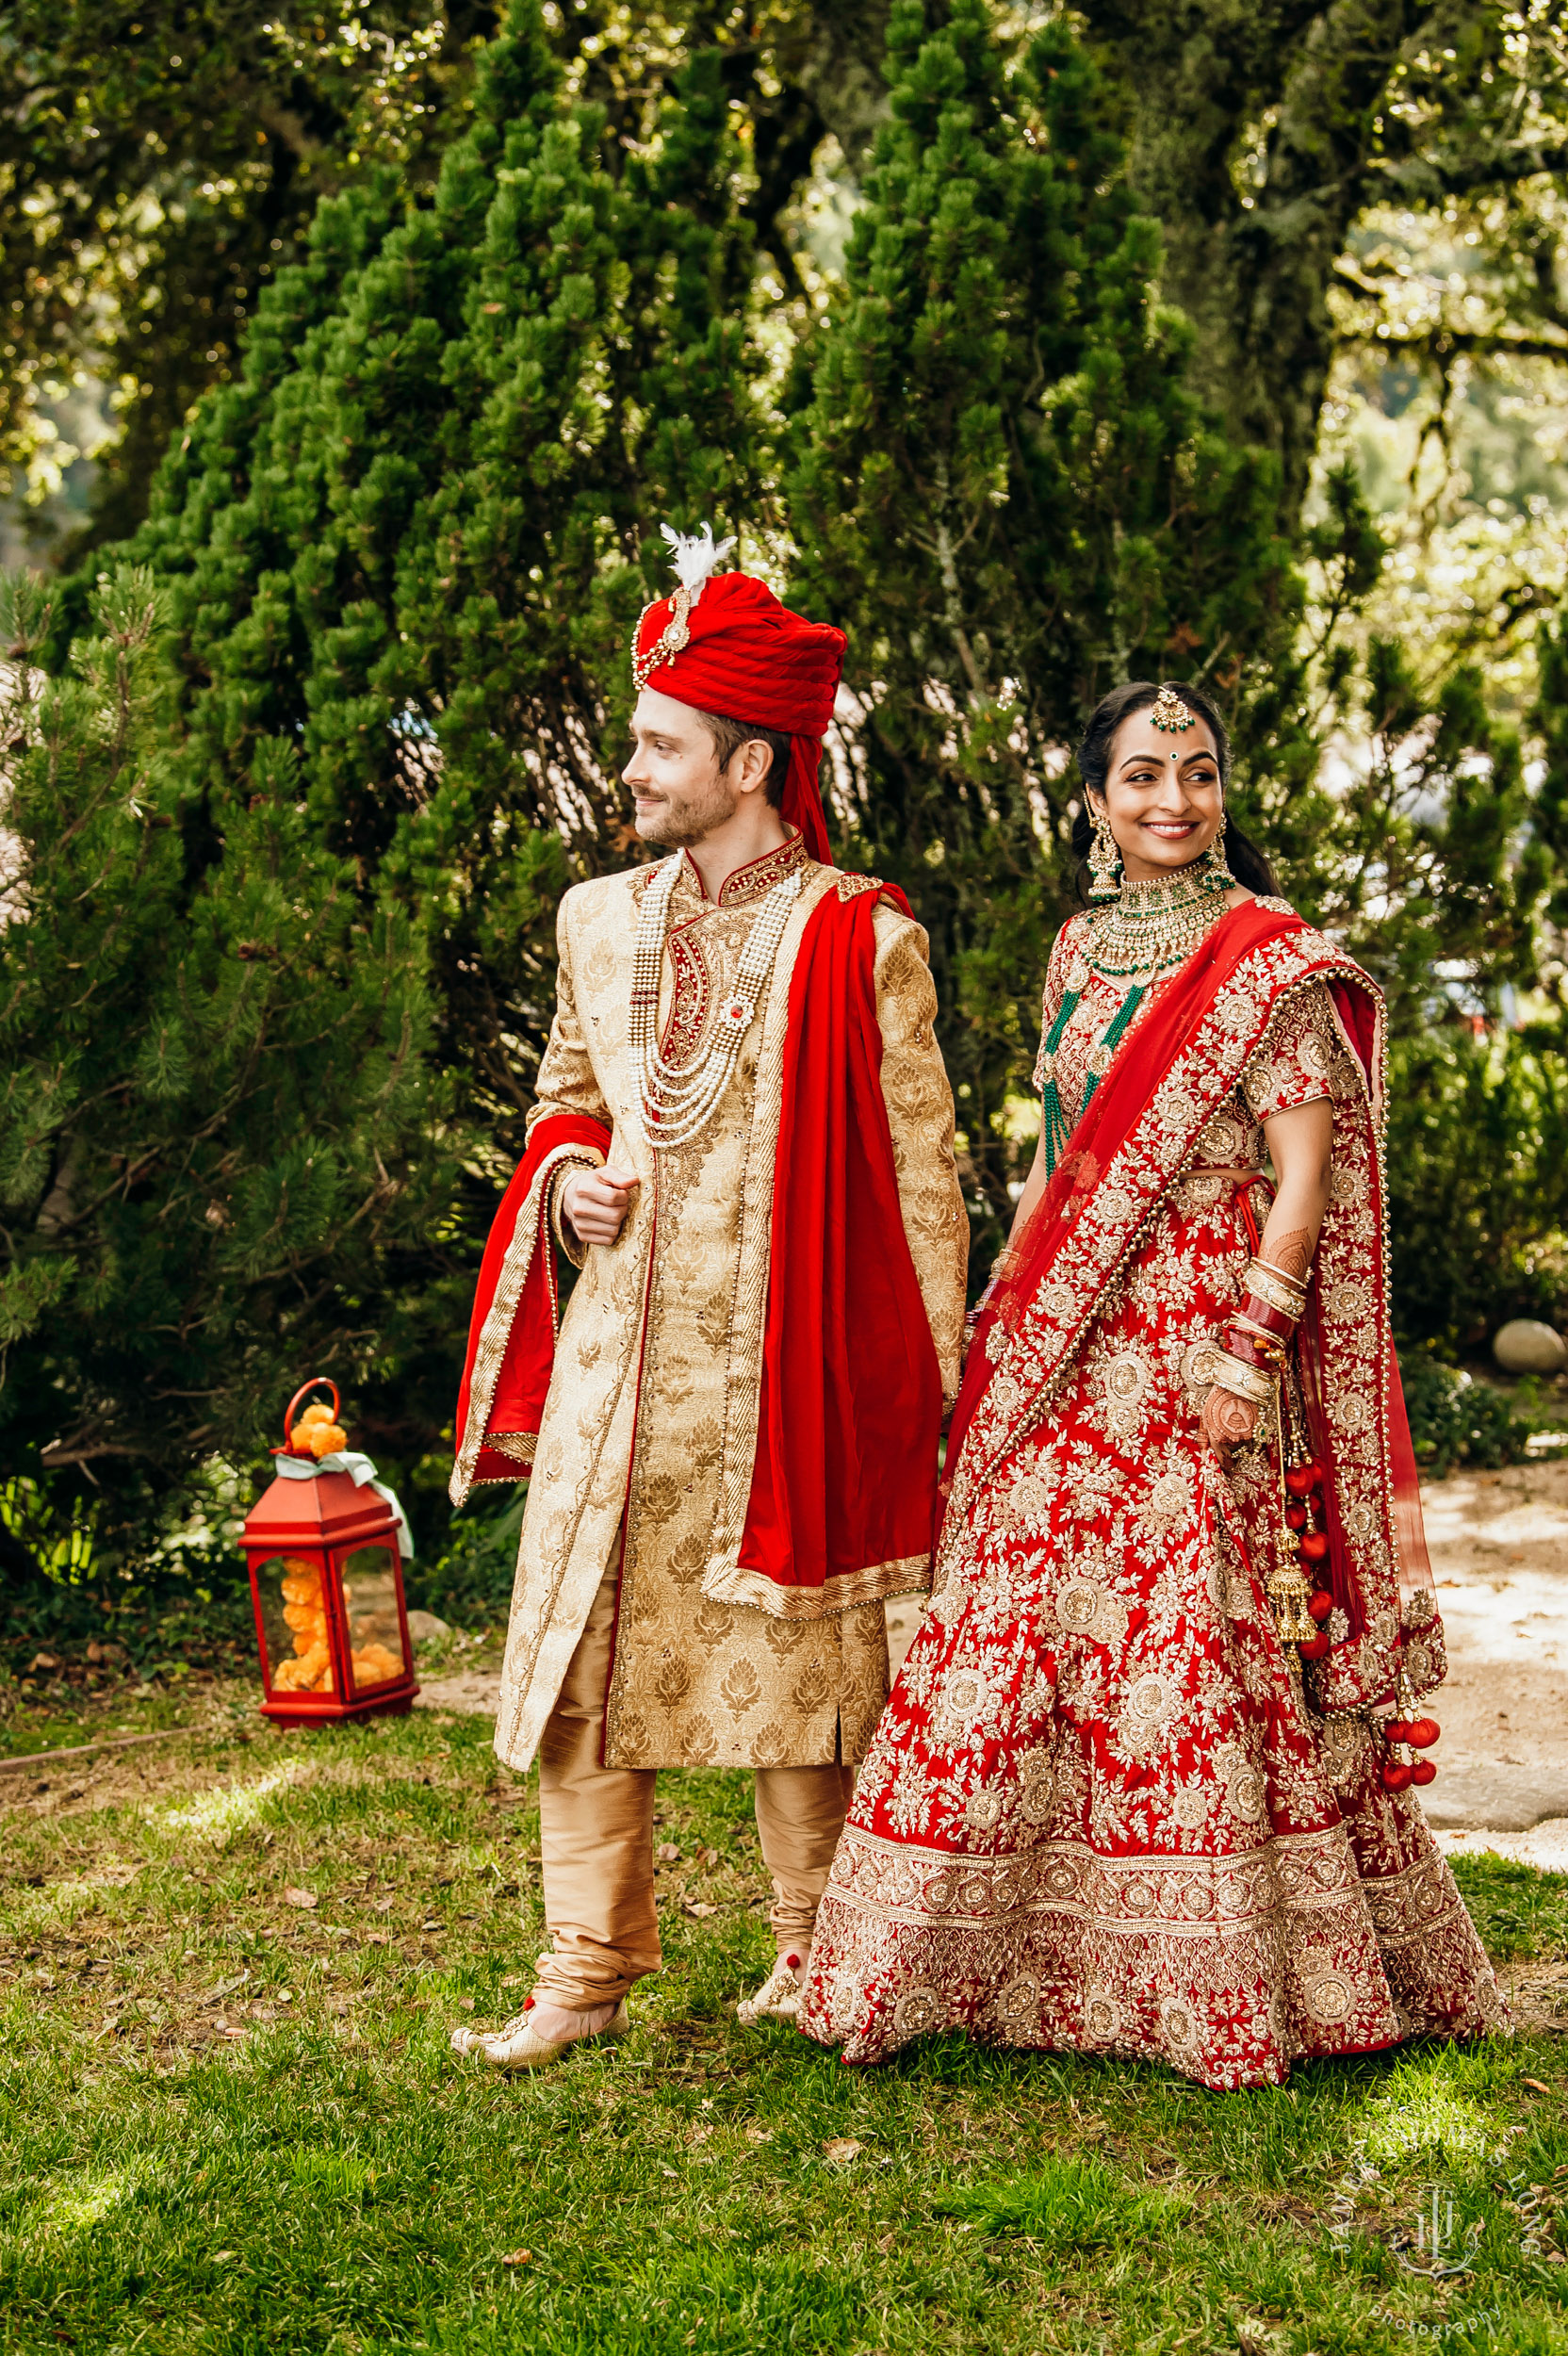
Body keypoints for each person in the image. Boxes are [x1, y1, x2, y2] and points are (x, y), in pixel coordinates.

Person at [799, 679, 1503, 2091]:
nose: (1172, 798)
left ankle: (1227, 1970)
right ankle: (980, 1957)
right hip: (1073, 1336)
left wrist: (1250, 1344)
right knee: (1013, 1615)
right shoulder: (1074, 950)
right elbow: (1064, 1158)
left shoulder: (1271, 966)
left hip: (1200, 1345)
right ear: (1094, 800)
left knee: (1194, 1640)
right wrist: (1007, 1305)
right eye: (1140, 776)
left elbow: (1304, 1181)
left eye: (1195, 772)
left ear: (1224, 791)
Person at [448, 526, 969, 2068]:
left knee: (797, 1670)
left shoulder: (861, 940)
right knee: (577, 1674)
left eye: (662, 745)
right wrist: (563, 1179)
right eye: (634, 739)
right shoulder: (596, 922)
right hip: (620, 1377)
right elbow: (560, 1097)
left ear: (750, 762)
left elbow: (923, 1184)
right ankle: (581, 1971)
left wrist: (913, 1402)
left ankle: (820, 1951)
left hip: (777, 1381)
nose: (633, 768)